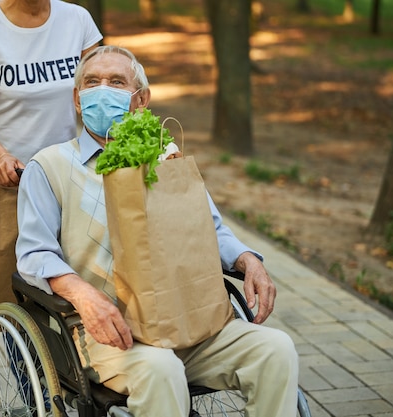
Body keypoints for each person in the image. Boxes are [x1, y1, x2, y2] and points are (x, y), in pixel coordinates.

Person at [15, 45, 299, 417]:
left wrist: (249, 260)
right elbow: (34, 253)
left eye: (116, 82)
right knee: (161, 368)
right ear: (77, 98)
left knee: (275, 349)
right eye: (92, 82)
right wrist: (84, 296)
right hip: (111, 335)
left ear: (141, 99)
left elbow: (210, 227)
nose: (102, 90)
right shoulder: (48, 166)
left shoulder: (166, 158)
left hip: (187, 323)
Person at [0, 0, 102, 186]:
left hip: (63, 174)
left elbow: (97, 97)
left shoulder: (78, 19)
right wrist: (1, 156)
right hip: (8, 177)